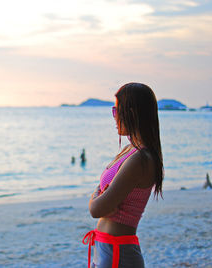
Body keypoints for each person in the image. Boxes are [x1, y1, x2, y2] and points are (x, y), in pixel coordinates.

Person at [82, 82, 164, 268]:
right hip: (105, 249)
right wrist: (99, 196)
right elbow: (101, 204)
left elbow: (96, 210)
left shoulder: (140, 159)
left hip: (118, 253)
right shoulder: (129, 151)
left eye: (117, 110)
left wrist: (97, 197)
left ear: (132, 113)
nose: (114, 116)